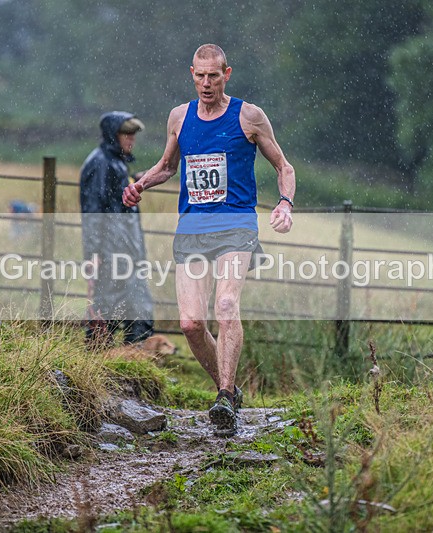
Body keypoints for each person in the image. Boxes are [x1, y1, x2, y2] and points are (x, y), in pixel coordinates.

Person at [122, 44, 295, 436]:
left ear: (226, 74)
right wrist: (140, 184)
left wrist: (285, 203)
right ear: (191, 74)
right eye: (199, 76)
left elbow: (284, 166)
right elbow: (168, 166)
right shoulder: (179, 117)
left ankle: (223, 398)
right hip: (192, 230)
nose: (205, 83)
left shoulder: (248, 116)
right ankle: (230, 391)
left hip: (236, 226)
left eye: (213, 76)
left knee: (227, 304)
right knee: (190, 323)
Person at [80, 111, 154, 347]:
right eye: (126, 134)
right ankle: (99, 368)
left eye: (133, 135)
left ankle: (134, 364)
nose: (131, 140)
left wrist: (134, 180)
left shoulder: (115, 163)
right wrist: (93, 254)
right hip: (110, 251)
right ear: (113, 135)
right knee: (108, 309)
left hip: (126, 250)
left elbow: (115, 198)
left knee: (135, 309)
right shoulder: (100, 162)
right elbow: (93, 211)